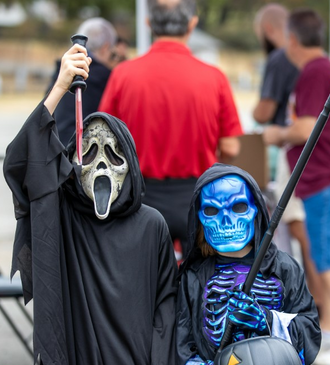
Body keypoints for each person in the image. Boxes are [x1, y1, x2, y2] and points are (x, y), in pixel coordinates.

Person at [3, 43, 178, 365]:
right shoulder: (62, 217)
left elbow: (169, 312)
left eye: (113, 155)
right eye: (90, 151)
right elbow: (21, 163)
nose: (101, 164)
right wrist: (60, 87)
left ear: (130, 165)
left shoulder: (152, 226)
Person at [262, 8, 330, 365]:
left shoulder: (314, 70)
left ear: (292, 39)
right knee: (328, 257)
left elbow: (306, 126)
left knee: (328, 259)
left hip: (327, 181)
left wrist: (276, 134)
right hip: (329, 182)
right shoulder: (324, 69)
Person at [173, 164, 320, 365]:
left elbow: (309, 330)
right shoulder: (192, 277)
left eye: (238, 208)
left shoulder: (284, 268)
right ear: (199, 219)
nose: (226, 221)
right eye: (212, 211)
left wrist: (267, 320)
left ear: (256, 212)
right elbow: (180, 340)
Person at [99, 0, 243, 258]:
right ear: (192, 23)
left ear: (149, 24)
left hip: (141, 197)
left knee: (145, 284)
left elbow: (105, 141)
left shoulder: (123, 75)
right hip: (197, 195)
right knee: (199, 284)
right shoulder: (214, 77)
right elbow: (231, 147)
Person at [252, 3, 330, 348]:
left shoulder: (296, 63)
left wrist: (271, 130)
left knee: (303, 235)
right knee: (307, 236)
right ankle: (321, 312)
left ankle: (323, 316)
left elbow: (278, 116)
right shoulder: (320, 64)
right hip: (312, 161)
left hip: (300, 161)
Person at [47, 18, 118, 145]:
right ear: (105, 48)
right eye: (113, 54)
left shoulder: (60, 73)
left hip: (55, 151)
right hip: (83, 152)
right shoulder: (103, 77)